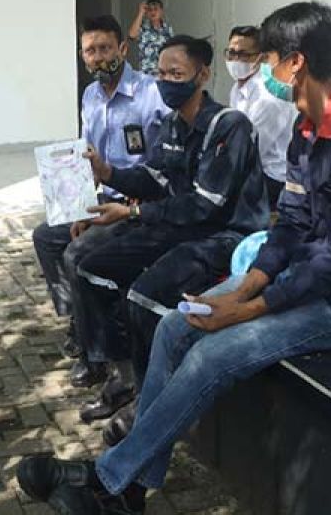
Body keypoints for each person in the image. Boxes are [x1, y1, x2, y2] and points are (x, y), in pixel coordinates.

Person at [17, 1, 331, 514]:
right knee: (178, 325)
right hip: (300, 276)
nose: (262, 70)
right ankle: (130, 489)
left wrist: (252, 306)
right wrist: (246, 285)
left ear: (295, 62)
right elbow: (294, 225)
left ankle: (108, 479)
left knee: (214, 352)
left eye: (269, 58)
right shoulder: (305, 128)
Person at [68, 35, 270, 426]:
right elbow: (153, 176)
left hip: (224, 236)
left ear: (202, 74)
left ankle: (148, 403)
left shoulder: (229, 125)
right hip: (180, 226)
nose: (165, 81)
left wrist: (132, 214)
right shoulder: (176, 125)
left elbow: (205, 204)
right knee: (90, 268)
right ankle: (123, 376)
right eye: (160, 73)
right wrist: (107, 173)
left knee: (143, 296)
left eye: (175, 73)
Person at [32, 15, 167, 362]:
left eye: (105, 48)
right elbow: (85, 156)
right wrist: (79, 209)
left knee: (77, 254)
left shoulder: (151, 93)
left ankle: (101, 357)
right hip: (100, 199)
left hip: (136, 204)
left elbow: (168, 156)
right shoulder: (90, 95)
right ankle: (79, 320)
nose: (98, 57)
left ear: (122, 48)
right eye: (89, 51)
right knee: (47, 237)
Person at [224, 25, 295, 210]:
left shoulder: (268, 97)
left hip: (270, 178)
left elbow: (251, 151)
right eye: (231, 53)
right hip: (247, 169)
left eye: (243, 54)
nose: (235, 60)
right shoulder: (238, 88)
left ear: (260, 57)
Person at [127, 0, 173, 76]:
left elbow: (172, 48)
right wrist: (141, 13)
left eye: (155, 9)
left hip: (163, 73)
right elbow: (132, 35)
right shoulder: (142, 27)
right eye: (150, 10)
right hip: (146, 74)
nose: (153, 12)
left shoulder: (167, 28)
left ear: (161, 11)